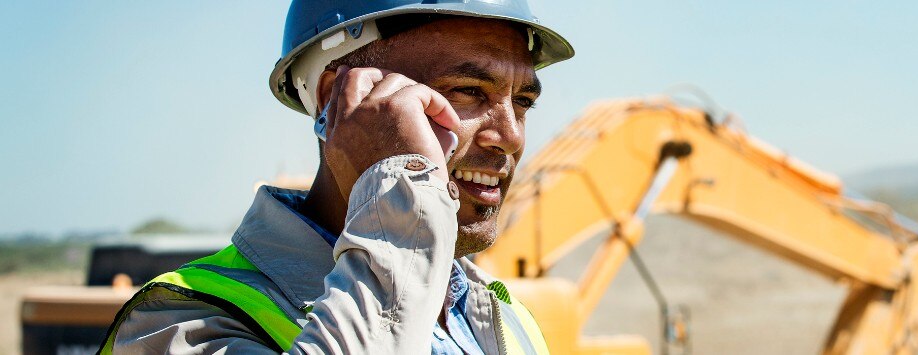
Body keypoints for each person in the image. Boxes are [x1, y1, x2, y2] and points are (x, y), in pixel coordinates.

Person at [100, 1, 573, 353]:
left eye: (523, 102)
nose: (510, 136)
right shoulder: (181, 322)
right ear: (337, 100)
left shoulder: (506, 321)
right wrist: (401, 200)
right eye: (469, 91)